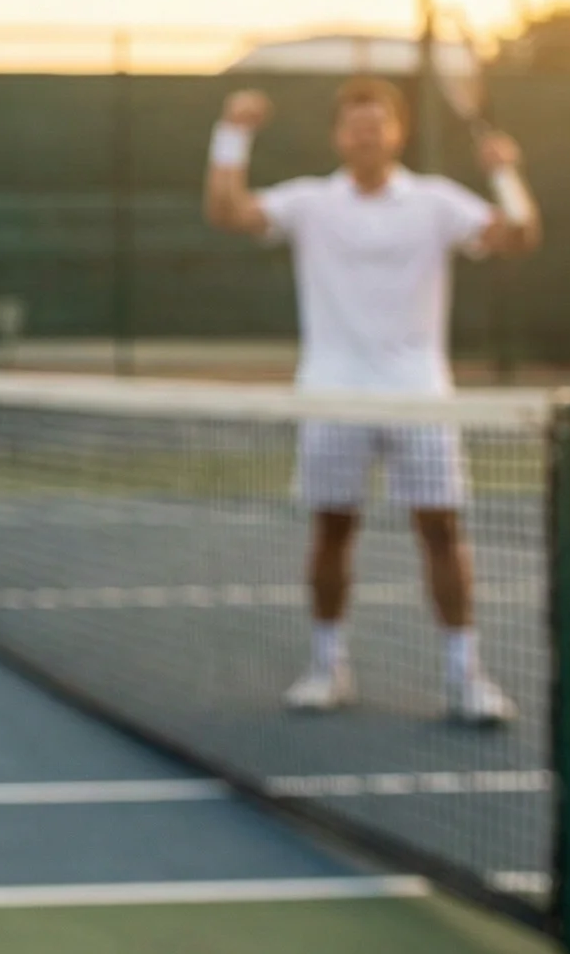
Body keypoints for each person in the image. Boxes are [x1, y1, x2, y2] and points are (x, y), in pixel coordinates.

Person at [202, 76, 541, 725]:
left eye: (376, 123)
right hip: (331, 395)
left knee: (442, 530)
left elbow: (519, 237)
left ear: (397, 132)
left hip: (420, 397)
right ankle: (328, 668)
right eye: (354, 124)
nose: (365, 133)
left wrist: (507, 177)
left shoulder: (437, 203)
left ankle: (465, 678)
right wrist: (233, 133)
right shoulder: (310, 203)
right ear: (339, 136)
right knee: (332, 530)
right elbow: (227, 212)